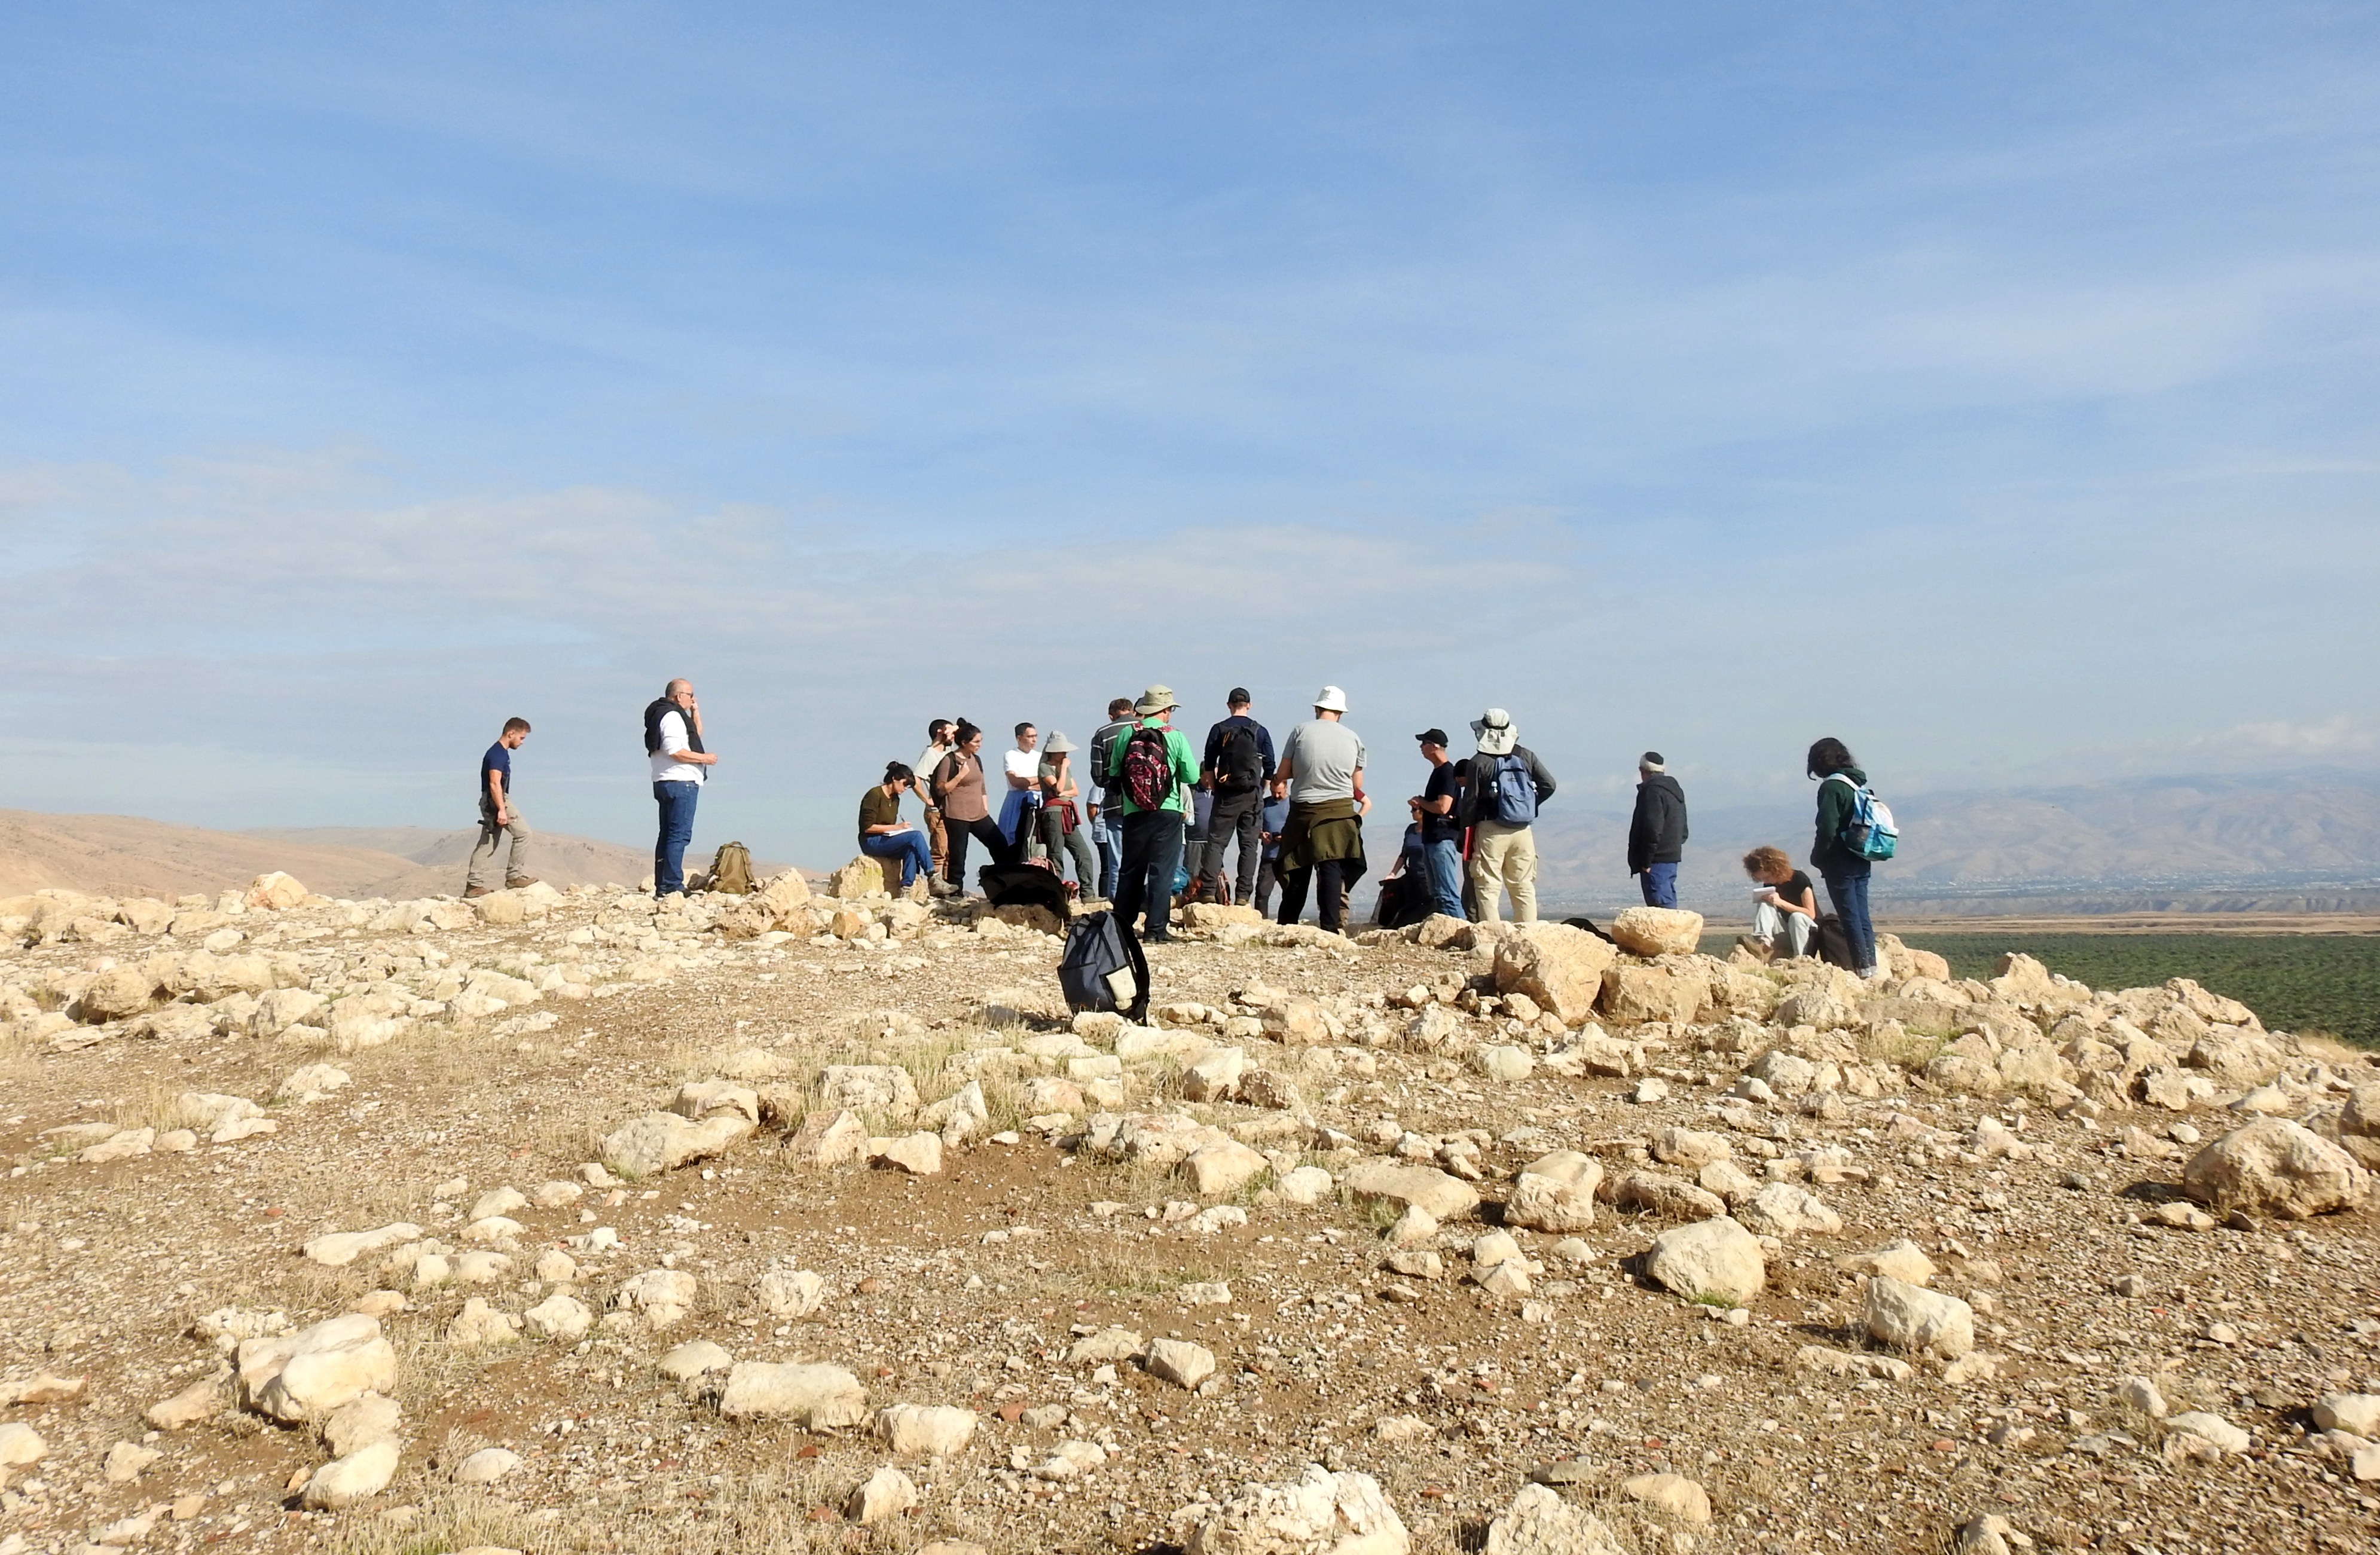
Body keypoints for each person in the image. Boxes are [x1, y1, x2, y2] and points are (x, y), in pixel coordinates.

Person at [1270, 686, 1368, 935]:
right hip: (1339, 811)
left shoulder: (1300, 731)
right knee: (1331, 867)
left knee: (1296, 866)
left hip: (1304, 810)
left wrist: (1295, 775)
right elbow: (1357, 785)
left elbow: (1283, 774)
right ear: (1340, 713)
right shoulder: (1353, 738)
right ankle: (1330, 927)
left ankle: (1288, 925)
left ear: (1317, 708)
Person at [1104, 685, 1199, 944]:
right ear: (1166, 711)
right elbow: (1192, 775)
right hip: (1167, 811)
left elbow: (1113, 771)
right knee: (1162, 871)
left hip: (1134, 811)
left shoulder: (1127, 732)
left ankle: (1122, 928)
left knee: (1131, 869)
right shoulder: (1175, 736)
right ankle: (1156, 930)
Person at [1457, 708, 1556, 925]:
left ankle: (1492, 938)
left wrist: (1465, 835)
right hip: (1523, 830)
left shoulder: (1478, 762)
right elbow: (1549, 784)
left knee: (1488, 886)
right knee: (1523, 886)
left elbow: (1470, 802)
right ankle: (1528, 936)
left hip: (1490, 829)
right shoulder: (1526, 755)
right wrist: (1527, 804)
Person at [1808, 736, 1881, 979]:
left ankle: (1862, 970)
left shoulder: (1832, 787)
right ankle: (1871, 967)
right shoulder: (1855, 782)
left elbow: (1827, 828)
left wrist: (1818, 858)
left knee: (1849, 917)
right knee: (1862, 916)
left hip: (1840, 861)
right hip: (1861, 856)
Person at [1196, 688, 1276, 906]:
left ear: (1229, 705)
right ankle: (1243, 896)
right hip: (1252, 794)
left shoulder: (1219, 729)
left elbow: (1209, 762)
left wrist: (1214, 786)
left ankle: (1209, 892)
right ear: (1249, 705)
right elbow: (1270, 765)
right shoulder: (1260, 731)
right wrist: (1262, 787)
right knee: (1249, 846)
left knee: (1216, 843)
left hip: (1226, 794)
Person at [645, 679, 717, 897]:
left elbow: (694, 735)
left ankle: (664, 884)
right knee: (679, 835)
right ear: (679, 696)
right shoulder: (673, 717)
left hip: (664, 780)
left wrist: (695, 711)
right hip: (680, 782)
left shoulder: (664, 715)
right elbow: (675, 750)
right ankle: (672, 886)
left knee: (667, 834)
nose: (692, 699)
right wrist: (705, 758)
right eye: (690, 695)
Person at [930, 720, 1018, 893]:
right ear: (964, 743)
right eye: (976, 742)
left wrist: (985, 807)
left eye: (980, 741)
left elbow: (981, 785)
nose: (980, 745)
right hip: (956, 814)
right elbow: (941, 789)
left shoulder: (976, 759)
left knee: (999, 844)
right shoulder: (950, 760)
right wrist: (960, 776)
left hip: (978, 814)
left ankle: (1007, 882)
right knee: (958, 855)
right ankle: (955, 892)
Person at [463, 717, 537, 898]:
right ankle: (514, 877)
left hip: (492, 801)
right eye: (521, 738)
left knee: (488, 844)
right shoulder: (498, 754)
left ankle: (474, 885)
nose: (522, 743)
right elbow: (495, 783)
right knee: (524, 834)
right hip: (496, 800)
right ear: (511, 733)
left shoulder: (499, 753)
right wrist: (502, 810)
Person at [1035, 732, 1101, 899]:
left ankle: (1088, 893)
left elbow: (1075, 791)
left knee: (1083, 853)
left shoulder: (1065, 769)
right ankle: (1056, 894)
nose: (1065, 755)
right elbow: (1057, 788)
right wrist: (1062, 770)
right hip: (1053, 813)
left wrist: (1062, 789)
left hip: (1067, 813)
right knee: (1056, 854)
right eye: (1062, 751)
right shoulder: (1045, 767)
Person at [1409, 728, 1464, 919]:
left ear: (1434, 746)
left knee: (1447, 893)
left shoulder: (1447, 773)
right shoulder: (1439, 772)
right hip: (1433, 840)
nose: (1421, 747)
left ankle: (1462, 932)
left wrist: (1421, 801)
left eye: (1424, 743)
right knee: (1439, 894)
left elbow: (1443, 806)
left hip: (1442, 840)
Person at [1086, 697, 1135, 900]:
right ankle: (1143, 900)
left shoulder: (1102, 734)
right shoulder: (1145, 729)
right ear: (1132, 711)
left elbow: (1098, 778)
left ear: (1111, 716)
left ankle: (1117, 900)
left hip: (1115, 801)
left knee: (1117, 857)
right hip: (1147, 804)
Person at [857, 763, 934, 893]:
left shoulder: (895, 799)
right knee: (916, 836)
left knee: (910, 848)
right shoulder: (874, 795)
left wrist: (899, 831)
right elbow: (867, 827)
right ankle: (932, 874)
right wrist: (897, 827)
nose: (905, 789)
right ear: (894, 779)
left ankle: (906, 887)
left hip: (885, 839)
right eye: (904, 784)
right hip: (871, 841)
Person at [1628, 751, 1689, 908]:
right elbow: (1684, 831)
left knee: (1660, 907)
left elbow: (1652, 827)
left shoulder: (1652, 791)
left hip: (1656, 860)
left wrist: (1646, 860)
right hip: (1671, 857)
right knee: (1667, 899)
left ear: (1642, 771)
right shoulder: (1674, 791)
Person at [1739, 845, 1817, 961]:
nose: (1765, 882)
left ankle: (1800, 959)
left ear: (1775, 869)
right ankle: (1763, 943)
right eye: (1762, 880)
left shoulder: (1799, 879)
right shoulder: (1770, 885)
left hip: (1806, 933)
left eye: (1767, 877)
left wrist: (1780, 903)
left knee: (1797, 917)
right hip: (1786, 934)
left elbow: (1811, 914)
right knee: (1764, 903)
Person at [914, 719, 955, 888]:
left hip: (950, 809)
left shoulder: (948, 753)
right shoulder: (930, 754)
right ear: (941, 732)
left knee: (951, 851)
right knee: (940, 849)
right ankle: (936, 886)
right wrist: (928, 799)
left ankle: (948, 884)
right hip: (936, 810)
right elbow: (916, 778)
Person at [1000, 723, 1042, 853]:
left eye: (1035, 736)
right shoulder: (1011, 755)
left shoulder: (1040, 756)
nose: (1034, 740)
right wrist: (1038, 779)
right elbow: (1016, 782)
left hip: (1039, 800)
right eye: (1030, 737)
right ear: (1019, 738)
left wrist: (1029, 782)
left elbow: (1048, 782)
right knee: (1015, 840)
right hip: (1017, 801)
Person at [1253, 790, 1290, 917]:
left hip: (1287, 858)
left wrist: (1286, 837)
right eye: (1274, 792)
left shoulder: (1293, 804)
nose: (1277, 795)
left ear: (1286, 788)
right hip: (1268, 857)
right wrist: (1261, 834)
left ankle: (1288, 922)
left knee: (1291, 894)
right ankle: (1261, 923)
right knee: (1262, 893)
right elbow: (1255, 827)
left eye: (1279, 792)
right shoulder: (1264, 804)